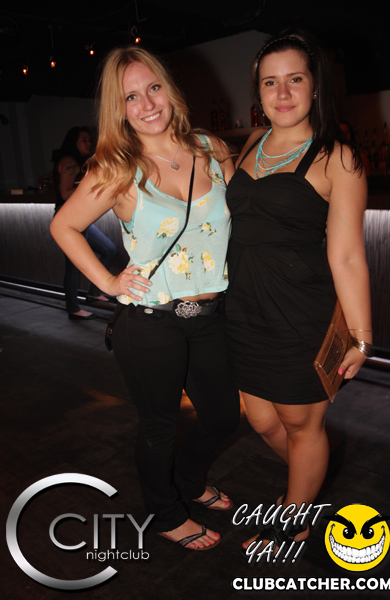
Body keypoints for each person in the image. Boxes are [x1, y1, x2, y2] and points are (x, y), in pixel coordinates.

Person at [50, 47, 240, 550]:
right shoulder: (117, 167)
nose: (147, 104)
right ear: (119, 109)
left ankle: (189, 481)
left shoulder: (212, 148)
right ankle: (164, 512)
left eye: (153, 88)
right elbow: (64, 225)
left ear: (169, 88)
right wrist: (109, 282)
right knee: (159, 426)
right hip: (151, 321)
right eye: (131, 97)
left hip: (210, 314)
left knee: (223, 415)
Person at [224, 29, 372, 554]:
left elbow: (347, 256)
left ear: (315, 86)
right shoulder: (252, 143)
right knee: (262, 419)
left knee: (300, 424)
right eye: (270, 82)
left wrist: (361, 336)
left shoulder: (339, 158)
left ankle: (294, 522)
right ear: (258, 91)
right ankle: (308, 487)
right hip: (243, 311)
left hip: (299, 315)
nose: (282, 93)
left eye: (295, 79)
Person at [53, 126, 117, 319]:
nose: (89, 143)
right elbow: (65, 193)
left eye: (89, 140)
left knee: (109, 249)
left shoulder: (76, 162)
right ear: (74, 142)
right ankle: (73, 309)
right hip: (69, 219)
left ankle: (94, 292)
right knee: (73, 265)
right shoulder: (70, 162)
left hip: (79, 219)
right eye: (84, 140)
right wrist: (91, 186)